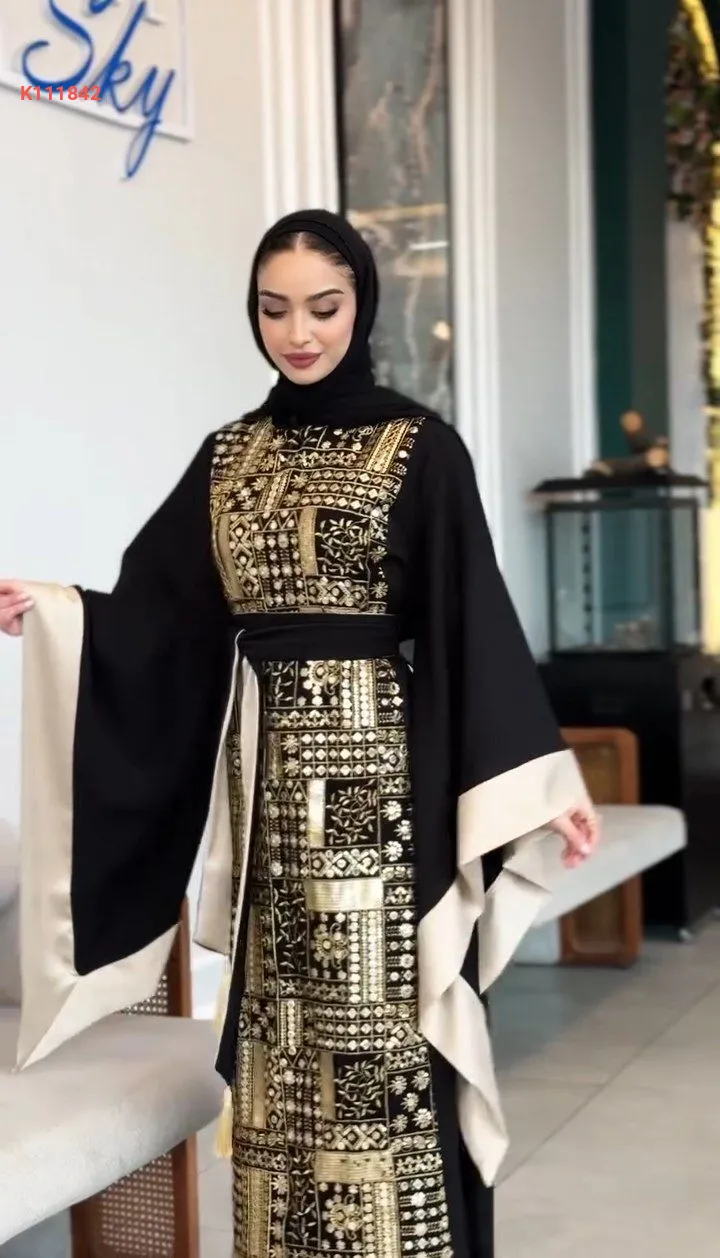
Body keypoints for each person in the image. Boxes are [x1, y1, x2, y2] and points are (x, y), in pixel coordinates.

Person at [0, 209, 598, 1258]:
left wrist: (546, 784)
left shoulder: (420, 448)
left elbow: (475, 620)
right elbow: (163, 619)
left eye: (323, 307)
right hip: (271, 795)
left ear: (361, 303)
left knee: (377, 1023)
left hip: (383, 789)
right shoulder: (232, 456)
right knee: (284, 1037)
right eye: (274, 310)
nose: (299, 332)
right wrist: (57, 613)